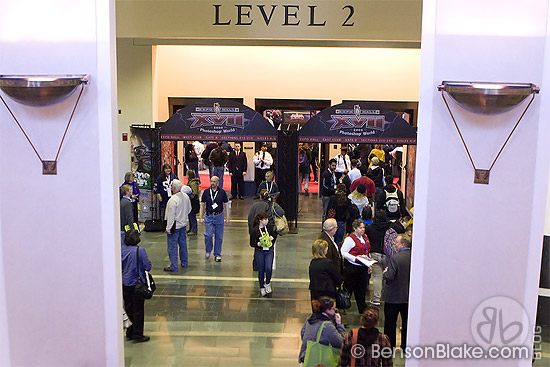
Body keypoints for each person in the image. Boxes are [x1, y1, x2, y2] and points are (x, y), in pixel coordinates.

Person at [365, 210, 405, 306]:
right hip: (387, 255)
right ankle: (388, 296)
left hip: (374, 254)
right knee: (388, 275)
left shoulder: (370, 228)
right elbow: (402, 229)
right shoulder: (389, 226)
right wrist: (393, 222)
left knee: (377, 277)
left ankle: (376, 298)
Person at [121, 228, 152, 343]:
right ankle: (138, 334)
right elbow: (147, 266)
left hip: (125, 283)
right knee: (138, 309)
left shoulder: (122, 250)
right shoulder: (140, 251)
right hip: (136, 283)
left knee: (128, 307)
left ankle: (129, 331)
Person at [383, 234, 412, 350]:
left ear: (403, 244)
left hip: (393, 296)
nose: (394, 244)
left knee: (390, 323)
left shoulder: (395, 258)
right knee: (406, 323)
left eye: (396, 242)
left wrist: (385, 272)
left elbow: (389, 276)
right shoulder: (414, 257)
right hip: (408, 296)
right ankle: (405, 346)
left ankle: (390, 347)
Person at [298, 297, 345, 365]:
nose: (335, 311)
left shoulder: (310, 318)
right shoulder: (327, 326)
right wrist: (339, 325)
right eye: (334, 308)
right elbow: (341, 343)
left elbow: (303, 334)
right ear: (327, 310)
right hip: (320, 362)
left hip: (306, 358)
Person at [341, 219, 372, 314]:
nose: (363, 230)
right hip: (352, 268)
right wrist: (354, 258)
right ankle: (343, 306)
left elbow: (367, 251)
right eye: (360, 228)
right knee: (348, 289)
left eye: (363, 228)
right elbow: (343, 252)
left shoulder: (365, 237)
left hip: (362, 268)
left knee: (361, 289)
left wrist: (369, 264)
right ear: (355, 228)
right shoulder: (349, 240)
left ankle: (362, 308)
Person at [164, 179, 192, 272]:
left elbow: (171, 216)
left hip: (174, 227)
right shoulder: (186, 197)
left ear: (174, 188)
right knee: (183, 245)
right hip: (183, 225)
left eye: (172, 186)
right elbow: (189, 209)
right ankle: (184, 263)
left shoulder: (173, 200)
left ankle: (174, 266)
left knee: (172, 247)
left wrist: (168, 228)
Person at [200, 175, 229, 262]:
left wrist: (227, 217)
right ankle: (208, 250)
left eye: (214, 182)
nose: (212, 183)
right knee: (208, 235)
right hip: (208, 216)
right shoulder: (206, 192)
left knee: (219, 236)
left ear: (218, 183)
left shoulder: (222, 192)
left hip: (219, 216)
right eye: (211, 181)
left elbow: (226, 204)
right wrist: (200, 217)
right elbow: (202, 204)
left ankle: (217, 254)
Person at [250, 211, 276, 297]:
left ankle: (267, 283)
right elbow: (251, 243)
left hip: (269, 250)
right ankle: (261, 286)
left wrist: (272, 238)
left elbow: (274, 236)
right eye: (265, 219)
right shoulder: (255, 230)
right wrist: (257, 244)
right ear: (260, 220)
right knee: (261, 269)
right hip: (259, 251)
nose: (267, 221)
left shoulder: (269, 227)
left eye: (267, 219)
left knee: (268, 268)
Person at [186, 170, 200, 235]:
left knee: (192, 216)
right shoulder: (193, 182)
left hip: (193, 201)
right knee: (190, 215)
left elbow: (194, 193)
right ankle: (191, 228)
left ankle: (194, 229)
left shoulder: (193, 183)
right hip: (192, 201)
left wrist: (189, 196)